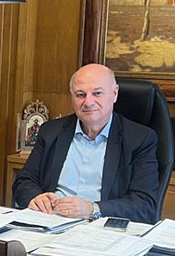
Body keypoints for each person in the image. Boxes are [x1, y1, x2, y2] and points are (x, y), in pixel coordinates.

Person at [12, 63, 159, 224]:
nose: (88, 102)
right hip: (49, 222)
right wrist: (35, 198)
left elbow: (145, 205)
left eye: (97, 93)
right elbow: (24, 181)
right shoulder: (51, 131)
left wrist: (92, 209)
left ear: (115, 93)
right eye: (80, 95)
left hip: (100, 226)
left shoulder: (140, 139)